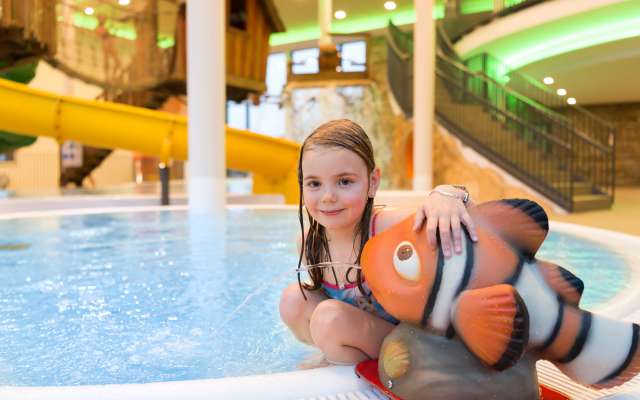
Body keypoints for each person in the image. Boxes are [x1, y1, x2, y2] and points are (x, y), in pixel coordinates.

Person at [279, 119, 479, 366]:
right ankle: (336, 355)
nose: (328, 197)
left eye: (344, 181)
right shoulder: (310, 242)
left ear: (372, 182)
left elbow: (469, 225)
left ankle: (342, 362)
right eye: (314, 183)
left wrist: (447, 195)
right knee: (293, 300)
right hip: (357, 333)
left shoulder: (389, 228)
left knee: (329, 318)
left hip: (410, 346)